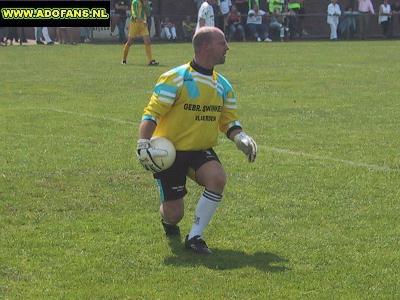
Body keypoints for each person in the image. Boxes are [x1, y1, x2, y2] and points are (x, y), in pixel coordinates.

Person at [136, 27, 257, 254]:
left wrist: (240, 136)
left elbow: (228, 121)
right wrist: (143, 143)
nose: (227, 47)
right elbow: (152, 114)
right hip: (168, 152)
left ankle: (195, 237)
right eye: (222, 43)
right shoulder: (175, 79)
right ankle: (167, 221)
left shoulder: (223, 85)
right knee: (174, 215)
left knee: (217, 178)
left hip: (199, 149)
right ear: (205, 47)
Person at [122, 0, 159, 66]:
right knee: (130, 42)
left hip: (143, 24)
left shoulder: (145, 2)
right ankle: (124, 60)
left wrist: (145, 5)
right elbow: (134, 14)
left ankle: (150, 61)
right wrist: (142, 20)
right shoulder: (135, 2)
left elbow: (148, 13)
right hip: (134, 24)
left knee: (147, 41)